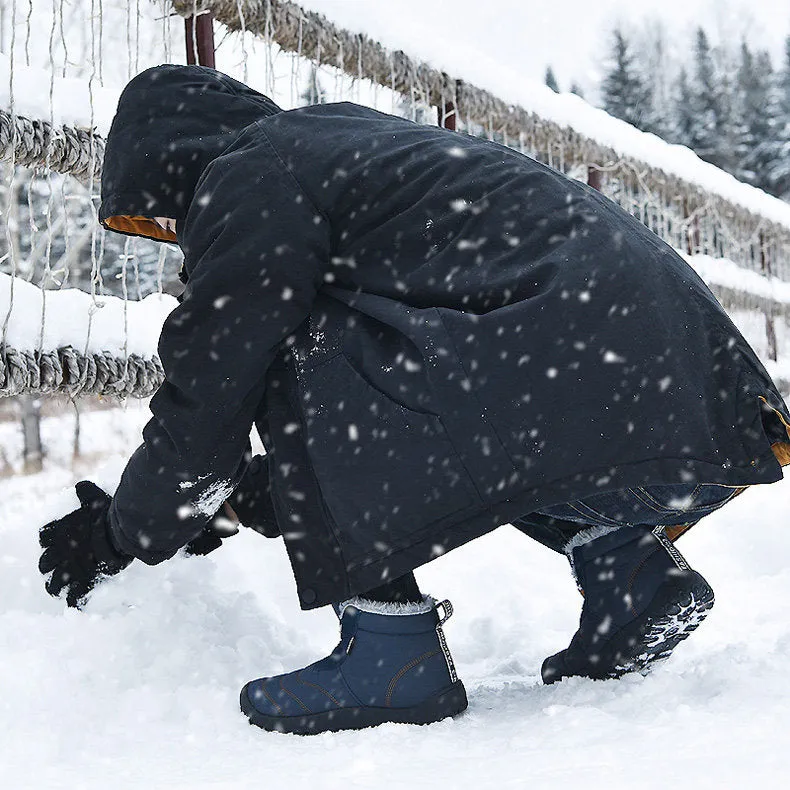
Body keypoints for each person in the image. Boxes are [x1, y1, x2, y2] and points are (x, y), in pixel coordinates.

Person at [38, 64, 790, 735]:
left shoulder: (250, 174)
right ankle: (629, 573)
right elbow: (426, 416)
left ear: (170, 165)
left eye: (163, 218)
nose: (175, 238)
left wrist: (122, 532)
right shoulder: (343, 149)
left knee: (286, 339)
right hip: (691, 411)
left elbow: (210, 389)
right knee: (416, 346)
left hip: (603, 401)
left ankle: (391, 650)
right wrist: (234, 500)